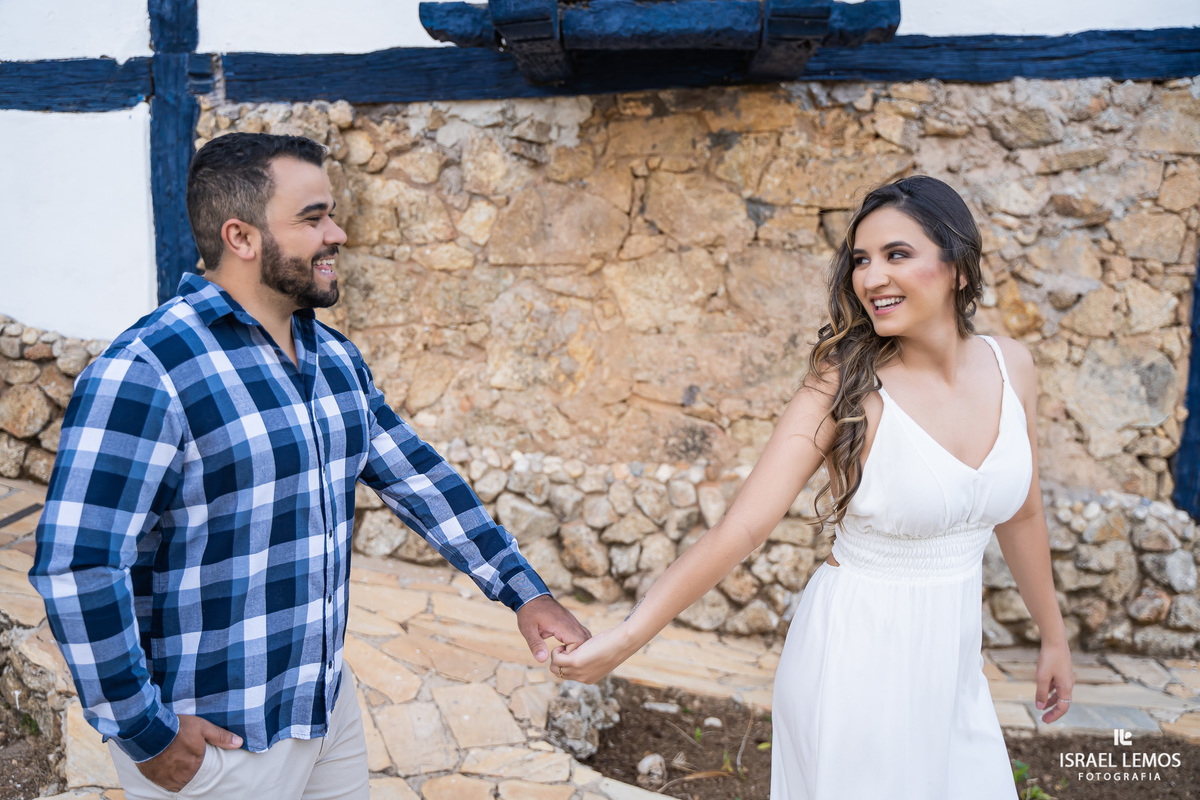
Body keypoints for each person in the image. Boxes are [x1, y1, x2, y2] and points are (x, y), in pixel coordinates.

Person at [30, 132, 590, 800]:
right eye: (314, 217)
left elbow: (420, 480)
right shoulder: (147, 371)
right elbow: (78, 565)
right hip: (218, 740)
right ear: (241, 237)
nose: (339, 233)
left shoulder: (334, 358)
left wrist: (523, 591)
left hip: (323, 706)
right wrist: (142, 732)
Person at [551, 175, 1074, 799]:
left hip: (952, 661)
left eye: (897, 255)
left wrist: (1054, 636)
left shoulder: (1011, 365)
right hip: (855, 656)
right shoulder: (845, 385)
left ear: (958, 266)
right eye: (861, 260)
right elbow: (741, 528)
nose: (871, 277)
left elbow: (1022, 514)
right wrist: (626, 640)